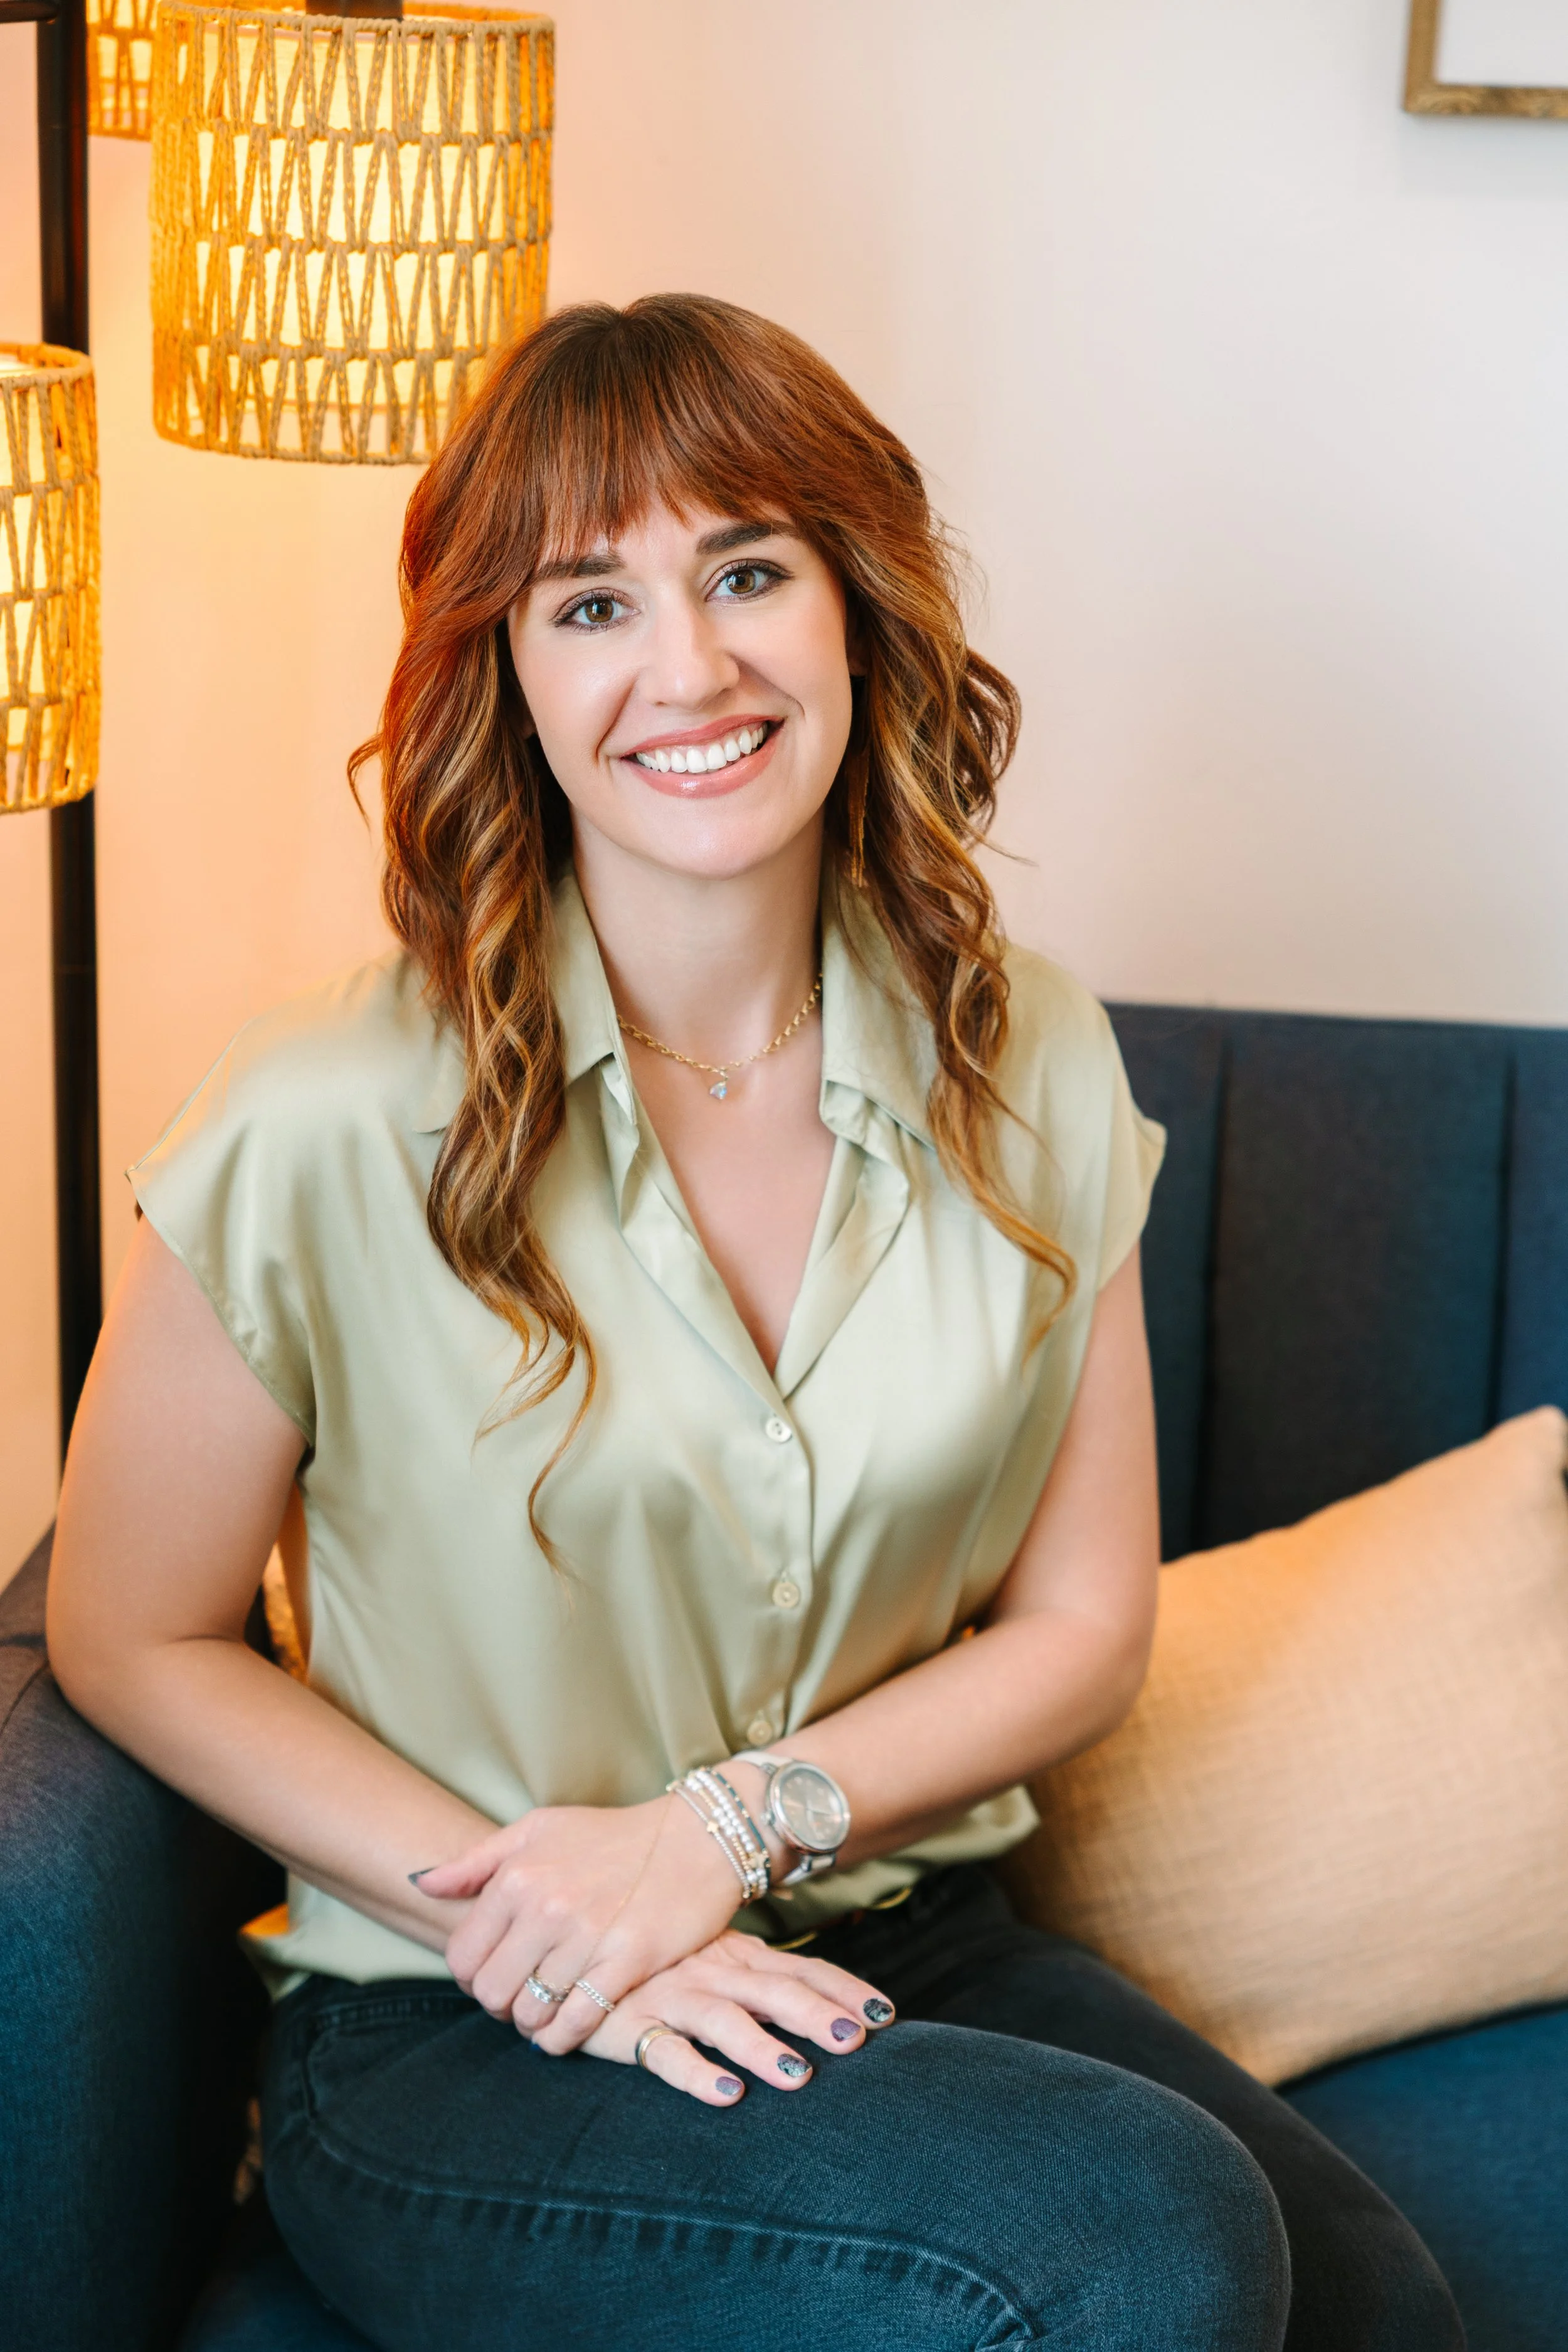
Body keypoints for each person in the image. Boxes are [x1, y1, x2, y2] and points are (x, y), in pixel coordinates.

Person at [48, 295, 1461, 2352]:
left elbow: (1084, 1626)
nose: (687, 667)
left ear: (852, 605)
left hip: (896, 1933)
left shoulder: (1033, 1062)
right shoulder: (319, 1115)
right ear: (499, 679)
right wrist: (555, 1909)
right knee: (1138, 2233)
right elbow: (128, 1628)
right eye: (588, 603)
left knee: (1379, 2308)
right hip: (464, 2019)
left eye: (742, 571)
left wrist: (727, 1825)